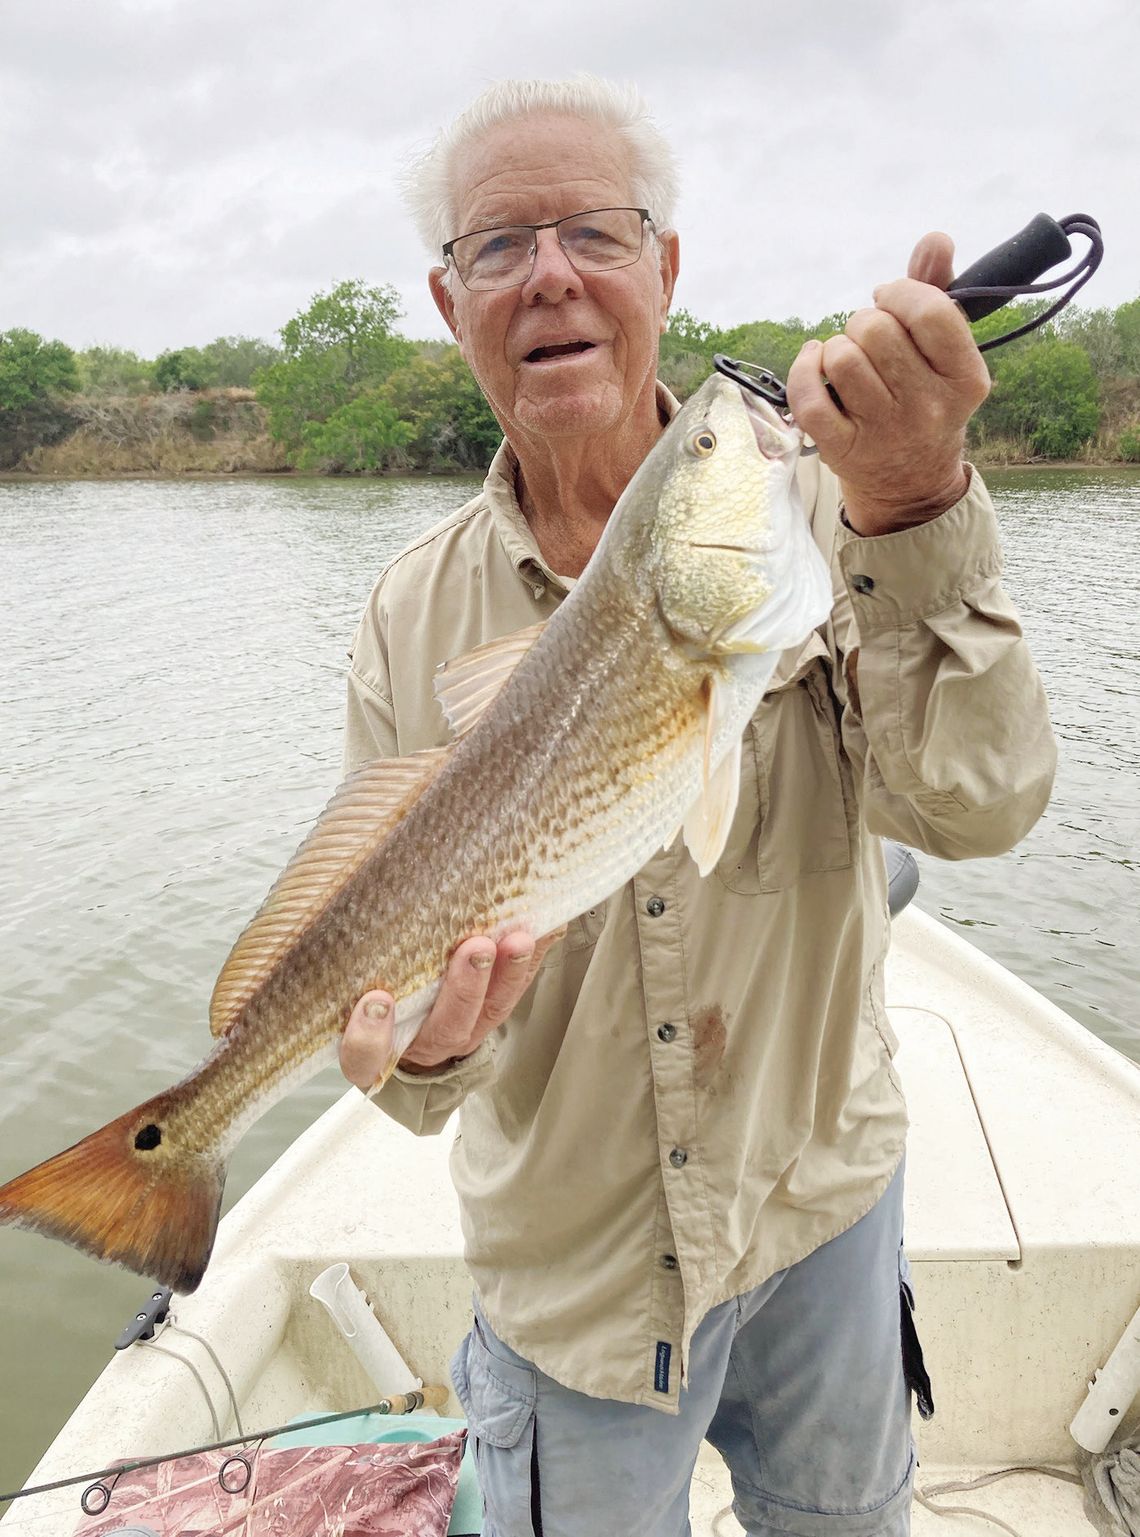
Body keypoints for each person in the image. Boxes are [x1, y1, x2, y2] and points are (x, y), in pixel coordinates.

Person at [336, 78, 1056, 1537]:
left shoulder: (825, 510)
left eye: (595, 231)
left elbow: (977, 806)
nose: (550, 273)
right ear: (448, 300)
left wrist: (914, 502)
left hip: (820, 1207)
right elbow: (397, 1037)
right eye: (499, 246)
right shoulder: (409, 616)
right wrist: (425, 1050)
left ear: (665, 269)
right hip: (576, 1282)